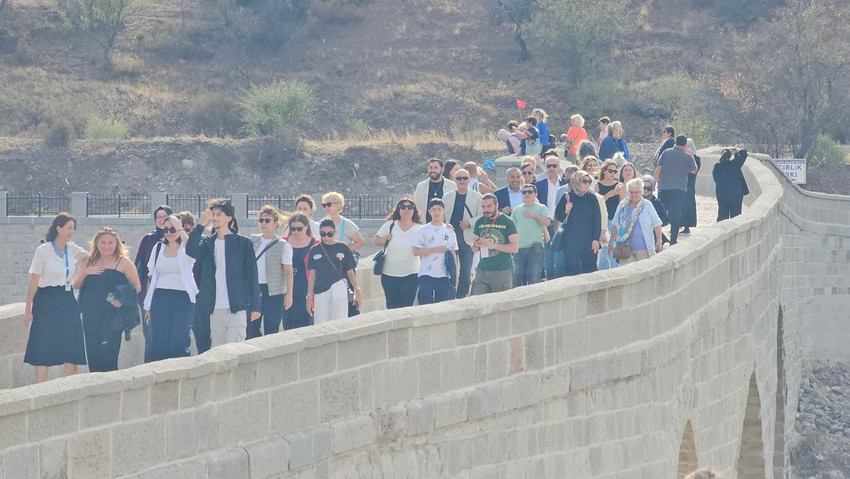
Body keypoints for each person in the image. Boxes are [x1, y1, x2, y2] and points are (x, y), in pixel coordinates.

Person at [186, 199, 261, 348]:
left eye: (219, 214)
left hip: (236, 306)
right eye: (213, 214)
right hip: (215, 307)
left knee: (235, 351)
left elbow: (252, 275)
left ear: (229, 217)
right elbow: (191, 250)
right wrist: (201, 224)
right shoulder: (208, 243)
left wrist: (256, 306)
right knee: (218, 352)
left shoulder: (243, 244)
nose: (214, 218)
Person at [24, 213, 89, 383]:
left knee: (71, 344)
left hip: (66, 297)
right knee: (43, 346)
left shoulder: (72, 248)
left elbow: (86, 257)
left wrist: (79, 278)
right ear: (59, 229)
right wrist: (28, 308)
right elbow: (34, 281)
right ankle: (39, 390)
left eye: (73, 228)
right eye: (69, 228)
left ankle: (70, 387)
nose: (71, 232)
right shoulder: (43, 250)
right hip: (46, 299)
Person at [75, 227, 141, 372]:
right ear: (96, 243)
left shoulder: (123, 262)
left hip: (112, 316)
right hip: (91, 314)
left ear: (116, 244)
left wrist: (122, 299)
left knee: (108, 356)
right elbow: (76, 284)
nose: (106, 246)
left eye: (110, 243)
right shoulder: (88, 261)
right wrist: (86, 272)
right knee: (93, 354)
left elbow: (137, 286)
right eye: (103, 242)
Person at [143, 215, 198, 361]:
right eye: (166, 229)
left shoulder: (185, 247)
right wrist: (148, 305)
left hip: (183, 298)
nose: (169, 232)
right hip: (160, 297)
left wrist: (180, 229)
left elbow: (194, 252)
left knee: (178, 339)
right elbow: (151, 276)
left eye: (172, 228)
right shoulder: (158, 248)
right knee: (159, 339)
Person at [134, 205, 172, 362]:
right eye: (158, 217)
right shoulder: (149, 239)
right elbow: (138, 264)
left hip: (169, 291)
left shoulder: (176, 239)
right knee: (150, 333)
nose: (161, 220)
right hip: (148, 291)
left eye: (164, 216)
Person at [306, 219, 361, 323]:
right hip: (320, 290)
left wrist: (357, 290)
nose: (326, 237)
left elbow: (350, 272)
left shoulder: (343, 248)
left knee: (339, 321)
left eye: (329, 234)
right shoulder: (314, 250)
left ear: (335, 233)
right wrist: (309, 296)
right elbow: (312, 276)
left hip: (339, 286)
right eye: (323, 234)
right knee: (320, 323)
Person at [250, 205, 294, 337]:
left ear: (276, 223)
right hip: (254, 289)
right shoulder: (252, 240)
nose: (263, 223)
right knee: (251, 327)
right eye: (261, 220)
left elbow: (288, 271)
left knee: (272, 328)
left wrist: (289, 294)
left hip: (274, 291)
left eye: (267, 220)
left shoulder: (283, 245)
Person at [374, 198, 422, 309]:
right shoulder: (390, 225)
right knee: (391, 306)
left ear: (414, 210)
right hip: (389, 274)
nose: (406, 209)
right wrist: (385, 239)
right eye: (403, 207)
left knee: (406, 306)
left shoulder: (419, 228)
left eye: (410, 207)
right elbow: (376, 240)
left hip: (411, 274)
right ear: (398, 210)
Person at [554, 171, 602, 277]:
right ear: (576, 181)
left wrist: (596, 239)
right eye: (584, 181)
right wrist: (566, 211)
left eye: (589, 181)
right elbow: (558, 216)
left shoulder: (592, 198)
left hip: (588, 241)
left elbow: (597, 220)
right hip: (571, 242)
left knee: (591, 272)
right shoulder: (567, 197)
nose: (587, 184)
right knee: (572, 272)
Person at [443, 172, 482, 299]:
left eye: (465, 178)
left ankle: (462, 295)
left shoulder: (477, 197)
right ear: (455, 180)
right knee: (449, 268)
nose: (462, 181)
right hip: (450, 236)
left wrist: (469, 223)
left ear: (469, 180)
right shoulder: (447, 197)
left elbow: (481, 216)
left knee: (466, 270)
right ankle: (450, 294)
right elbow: (442, 216)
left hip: (467, 237)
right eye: (459, 178)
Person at [470, 194, 519, 294]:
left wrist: (493, 245)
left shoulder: (508, 222)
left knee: (500, 305)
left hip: (502, 271)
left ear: (497, 206)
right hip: (482, 270)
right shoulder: (479, 222)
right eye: (483, 207)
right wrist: (475, 245)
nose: (486, 210)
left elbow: (515, 248)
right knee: (477, 301)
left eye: (489, 206)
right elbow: (474, 248)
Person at [654, 135, 698, 245]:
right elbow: (694, 171)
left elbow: (658, 168)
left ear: (675, 142)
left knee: (660, 211)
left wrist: (654, 181)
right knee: (675, 213)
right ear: (684, 145)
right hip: (679, 189)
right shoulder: (687, 157)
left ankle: (658, 237)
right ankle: (673, 239)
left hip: (664, 187)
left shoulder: (666, 152)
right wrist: (692, 155)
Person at [413, 198, 459, 304]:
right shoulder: (422, 230)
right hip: (426, 273)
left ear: (444, 211)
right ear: (429, 211)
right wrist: (435, 250)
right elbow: (416, 252)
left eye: (439, 209)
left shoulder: (450, 231)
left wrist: (456, 277)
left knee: (442, 306)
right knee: (425, 305)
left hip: (444, 275)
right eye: (434, 209)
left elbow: (453, 254)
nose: (436, 212)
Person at [608, 179, 664, 265]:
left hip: (643, 249)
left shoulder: (647, 205)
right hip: (625, 248)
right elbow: (615, 224)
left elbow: (656, 223)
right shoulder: (622, 205)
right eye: (631, 192)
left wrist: (659, 241)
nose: (634, 195)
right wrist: (611, 242)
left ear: (641, 191)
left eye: (637, 192)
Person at [282, 214, 318, 330]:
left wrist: (311, 297)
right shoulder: (283, 243)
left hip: (305, 293)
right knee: (287, 327)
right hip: (286, 292)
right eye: (293, 229)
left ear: (307, 227)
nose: (296, 232)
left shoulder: (315, 244)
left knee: (305, 327)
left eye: (299, 229)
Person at [535, 152, 567, 279]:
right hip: (547, 224)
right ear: (545, 167)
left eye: (554, 165)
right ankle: (550, 281)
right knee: (548, 256)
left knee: (561, 256)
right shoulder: (539, 185)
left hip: (562, 224)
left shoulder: (566, 183)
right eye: (549, 166)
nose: (552, 168)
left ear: (559, 167)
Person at [511, 183, 550, 286]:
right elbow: (512, 229)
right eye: (524, 192)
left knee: (534, 277)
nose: (527, 194)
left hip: (535, 248)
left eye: (530, 192)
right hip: (519, 249)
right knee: (517, 277)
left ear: (535, 194)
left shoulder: (541, 208)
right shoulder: (516, 210)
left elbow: (547, 222)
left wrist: (535, 216)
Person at [595, 159, 624, 270]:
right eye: (610, 171)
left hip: (615, 219)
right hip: (603, 220)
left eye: (615, 171)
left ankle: (615, 270)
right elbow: (597, 203)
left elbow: (622, 205)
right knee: (603, 248)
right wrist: (610, 194)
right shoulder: (598, 185)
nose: (613, 173)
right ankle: (602, 270)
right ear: (604, 171)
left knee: (614, 246)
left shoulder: (619, 186)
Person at [321, 192, 366, 257]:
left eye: (328, 204)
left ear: (338, 205)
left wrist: (346, 250)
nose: (326, 208)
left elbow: (361, 242)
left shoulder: (346, 224)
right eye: (324, 205)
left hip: (343, 262)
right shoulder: (321, 223)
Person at [713, 147, 749, 221]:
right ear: (730, 156)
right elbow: (744, 154)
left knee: (722, 215)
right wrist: (736, 149)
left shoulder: (717, 166)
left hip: (722, 195)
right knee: (736, 217)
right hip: (736, 194)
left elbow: (716, 179)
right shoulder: (734, 164)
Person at [681, 138, 701, 234]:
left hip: (689, 185)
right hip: (680, 184)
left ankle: (687, 226)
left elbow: (694, 172)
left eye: (688, 146)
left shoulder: (696, 159)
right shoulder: (681, 157)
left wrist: (692, 157)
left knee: (688, 206)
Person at [642, 175, 670, 245]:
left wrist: (653, 222)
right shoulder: (635, 201)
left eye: (648, 188)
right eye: (643, 188)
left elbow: (665, 220)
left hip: (652, 235)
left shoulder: (656, 203)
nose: (645, 190)